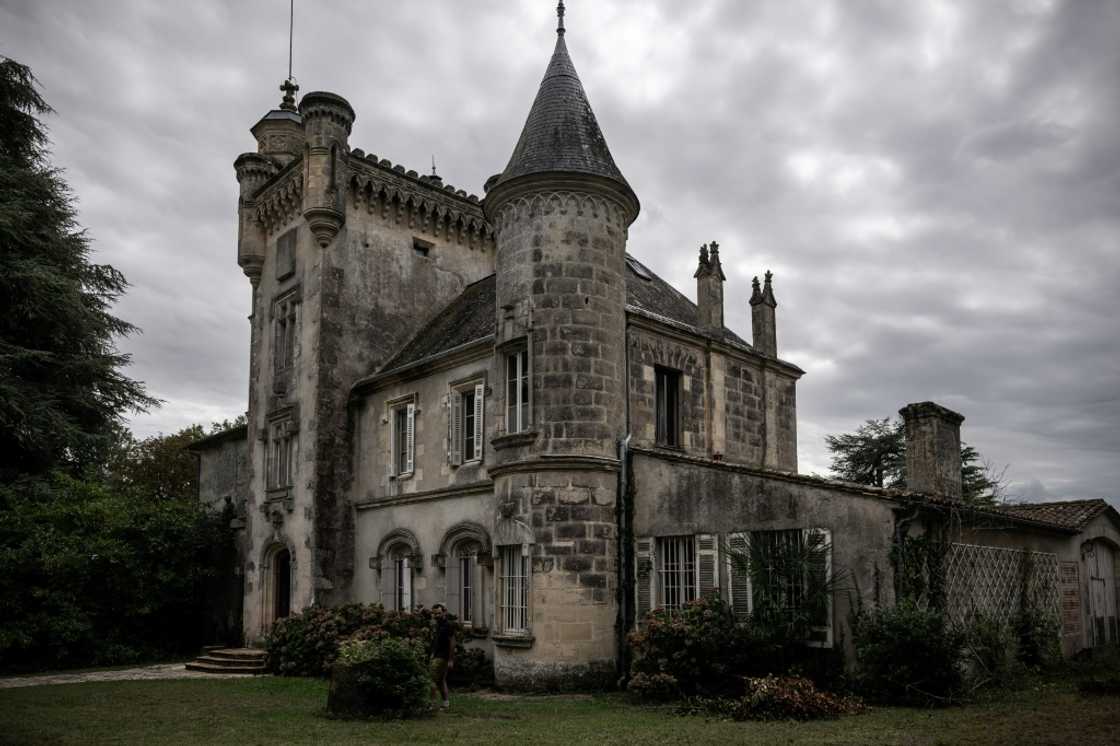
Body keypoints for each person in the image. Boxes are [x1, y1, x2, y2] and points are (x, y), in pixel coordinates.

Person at [430, 603, 455, 710]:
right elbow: (436, 642)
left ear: (444, 612)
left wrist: (450, 660)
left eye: (439, 613)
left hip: (442, 657)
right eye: (435, 614)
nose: (436, 615)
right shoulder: (438, 625)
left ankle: (432, 704)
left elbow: (452, 642)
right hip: (437, 655)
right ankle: (445, 704)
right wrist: (432, 653)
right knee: (441, 680)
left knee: (431, 680)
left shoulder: (447, 625)